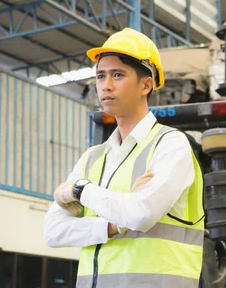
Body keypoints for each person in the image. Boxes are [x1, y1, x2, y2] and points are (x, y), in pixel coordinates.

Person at [44, 28, 205, 287]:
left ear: (146, 84)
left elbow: (141, 215)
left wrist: (80, 189)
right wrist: (112, 225)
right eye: (100, 76)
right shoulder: (92, 158)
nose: (105, 85)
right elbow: (53, 232)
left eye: (117, 75)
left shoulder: (170, 145)